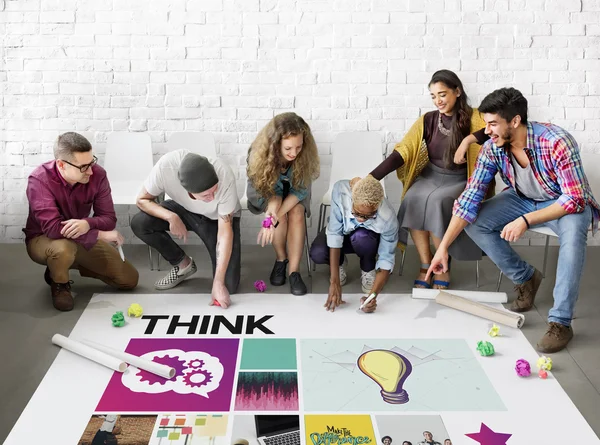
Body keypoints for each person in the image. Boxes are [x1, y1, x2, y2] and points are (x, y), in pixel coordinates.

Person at [427, 87, 600, 353]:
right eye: (486, 123)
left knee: (574, 237)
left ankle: (560, 322)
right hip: (522, 197)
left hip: (562, 203)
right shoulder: (492, 147)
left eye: (493, 123)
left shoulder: (556, 141)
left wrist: (526, 221)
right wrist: (442, 250)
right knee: (475, 221)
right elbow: (468, 200)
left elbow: (575, 198)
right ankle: (526, 278)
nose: (487, 130)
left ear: (515, 121)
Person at [369, 69, 492, 290]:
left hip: (461, 180)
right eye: (433, 96)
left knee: (437, 202)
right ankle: (426, 264)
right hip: (431, 175)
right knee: (413, 197)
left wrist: (467, 141)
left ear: (457, 91)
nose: (438, 101)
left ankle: (442, 265)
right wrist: (373, 177)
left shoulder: (476, 117)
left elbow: (493, 129)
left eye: (442, 94)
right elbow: (404, 151)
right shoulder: (428, 120)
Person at [23, 132, 138, 311]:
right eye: (84, 167)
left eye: (92, 162)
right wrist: (98, 234)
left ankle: (60, 266)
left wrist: (87, 224)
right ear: (61, 165)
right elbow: (53, 229)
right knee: (63, 248)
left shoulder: (98, 175)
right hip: (44, 238)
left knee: (129, 279)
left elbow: (108, 219)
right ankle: (59, 283)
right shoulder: (39, 180)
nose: (91, 170)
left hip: (81, 235)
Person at [131, 149, 241, 308]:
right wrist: (171, 217)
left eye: (214, 190)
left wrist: (218, 282)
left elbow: (225, 232)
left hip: (218, 218)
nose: (212, 197)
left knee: (228, 285)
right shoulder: (165, 167)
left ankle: (219, 281)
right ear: (189, 192)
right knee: (140, 223)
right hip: (183, 209)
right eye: (206, 195)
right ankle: (183, 264)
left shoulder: (224, 174)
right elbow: (141, 200)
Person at [246, 112, 320, 296]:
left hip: (295, 193)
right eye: (288, 148)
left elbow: (300, 191)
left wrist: (272, 219)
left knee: (296, 212)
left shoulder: (305, 156)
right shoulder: (258, 154)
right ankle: (281, 259)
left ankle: (294, 271)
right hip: (266, 193)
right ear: (275, 144)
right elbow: (270, 194)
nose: (294, 153)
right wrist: (273, 213)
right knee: (280, 212)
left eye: (299, 147)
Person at [309, 176, 398, 312]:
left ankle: (368, 268)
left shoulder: (388, 218)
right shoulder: (341, 191)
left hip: (366, 241)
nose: (361, 219)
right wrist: (335, 281)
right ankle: (339, 263)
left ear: (378, 206)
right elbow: (334, 233)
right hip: (343, 234)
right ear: (352, 199)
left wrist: (372, 297)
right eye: (356, 213)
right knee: (318, 253)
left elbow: (386, 259)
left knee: (362, 237)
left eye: (368, 216)